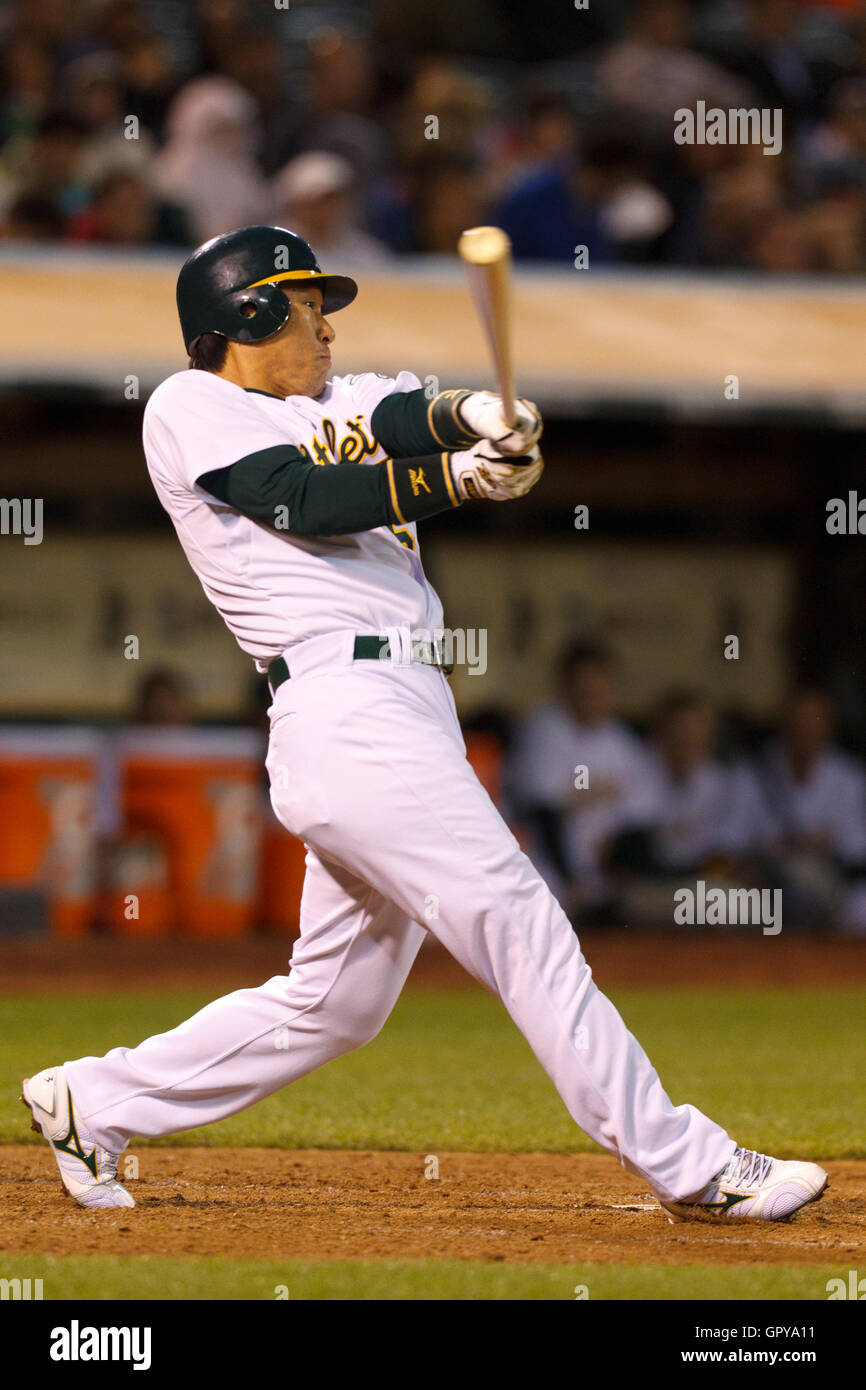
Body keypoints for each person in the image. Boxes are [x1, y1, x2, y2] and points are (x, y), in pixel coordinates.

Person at [22, 224, 826, 1227]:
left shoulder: (335, 402)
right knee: (520, 923)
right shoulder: (193, 406)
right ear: (247, 315)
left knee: (335, 1004)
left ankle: (91, 1100)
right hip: (343, 708)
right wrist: (460, 478)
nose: (324, 323)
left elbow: (406, 414)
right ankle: (688, 1163)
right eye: (307, 303)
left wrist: (485, 418)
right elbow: (302, 495)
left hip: (398, 712)